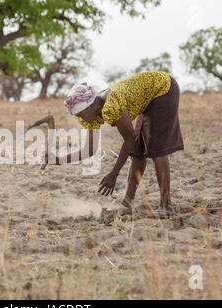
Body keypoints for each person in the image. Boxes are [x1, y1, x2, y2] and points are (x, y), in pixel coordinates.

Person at [47, 71, 184, 218]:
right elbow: (89, 149)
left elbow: (129, 140)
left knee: (157, 149)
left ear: (90, 107)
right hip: (149, 97)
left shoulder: (111, 104)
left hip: (163, 89)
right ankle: (127, 205)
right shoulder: (92, 114)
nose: (82, 120)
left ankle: (166, 205)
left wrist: (114, 174)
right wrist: (57, 159)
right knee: (138, 151)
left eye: (82, 115)